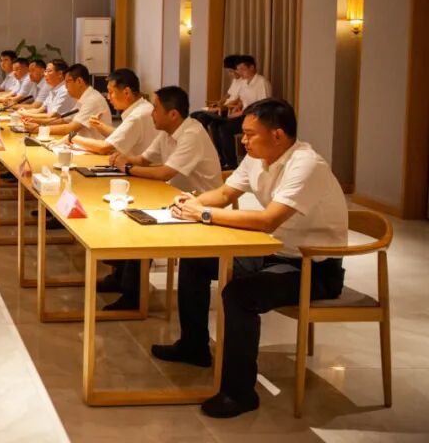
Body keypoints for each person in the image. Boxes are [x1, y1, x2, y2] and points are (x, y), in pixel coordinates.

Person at [155, 98, 348, 419]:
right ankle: (194, 346)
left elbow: (268, 220)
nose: (243, 140)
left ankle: (239, 393)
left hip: (313, 268)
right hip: (272, 252)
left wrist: (203, 214)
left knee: (240, 295)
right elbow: (224, 194)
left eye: (250, 134)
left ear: (278, 135)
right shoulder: (257, 157)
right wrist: (190, 203)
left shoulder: (306, 164)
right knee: (195, 260)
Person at [102, 86, 224, 310]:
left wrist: (127, 168)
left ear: (173, 114)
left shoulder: (192, 134)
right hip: (175, 198)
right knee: (126, 212)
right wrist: (120, 158)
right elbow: (144, 159)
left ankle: (132, 296)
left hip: (199, 206)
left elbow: (165, 173)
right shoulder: (166, 132)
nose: (151, 114)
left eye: (156, 109)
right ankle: (120, 278)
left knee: (141, 224)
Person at [73, 68, 157, 156]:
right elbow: (122, 134)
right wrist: (99, 125)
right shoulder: (144, 107)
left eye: (111, 92)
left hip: (140, 164)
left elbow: (103, 147)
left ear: (126, 92)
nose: (108, 97)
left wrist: (72, 137)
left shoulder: (137, 115)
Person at [213, 56, 272, 170]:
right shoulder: (244, 82)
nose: (240, 72)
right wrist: (237, 107)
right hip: (245, 115)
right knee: (215, 124)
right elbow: (242, 99)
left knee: (225, 128)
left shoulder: (261, 82)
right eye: (238, 69)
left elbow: (263, 105)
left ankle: (232, 164)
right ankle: (223, 159)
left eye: (243, 69)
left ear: (252, 67)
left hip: (256, 117)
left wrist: (241, 113)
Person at [29, 63, 111, 139]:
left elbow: (70, 128)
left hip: (92, 147)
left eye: (68, 82)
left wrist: (37, 129)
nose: (65, 86)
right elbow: (63, 120)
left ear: (79, 81)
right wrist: (33, 120)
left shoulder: (92, 100)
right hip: (82, 145)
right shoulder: (83, 97)